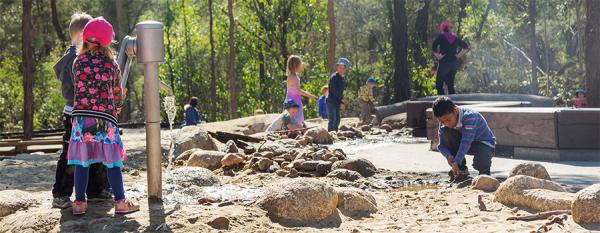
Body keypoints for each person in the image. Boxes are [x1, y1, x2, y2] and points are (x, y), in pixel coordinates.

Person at [69, 17, 138, 215]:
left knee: (82, 161)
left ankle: (79, 203)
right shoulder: (111, 64)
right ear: (108, 41)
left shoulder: (77, 62)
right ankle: (120, 202)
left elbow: (80, 88)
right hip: (105, 118)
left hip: (81, 118)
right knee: (112, 161)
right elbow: (117, 92)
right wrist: (118, 106)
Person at [51, 12, 111, 209]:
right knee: (70, 152)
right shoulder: (72, 59)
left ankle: (95, 190)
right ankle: (61, 192)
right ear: (81, 36)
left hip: (90, 112)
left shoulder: (86, 57)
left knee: (95, 148)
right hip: (74, 113)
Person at [433, 96, 495, 183]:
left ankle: (484, 175)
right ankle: (461, 172)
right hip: (466, 143)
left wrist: (456, 161)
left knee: (481, 163)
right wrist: (448, 156)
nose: (446, 124)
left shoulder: (470, 116)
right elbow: (441, 145)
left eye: (448, 120)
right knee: (447, 132)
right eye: (442, 122)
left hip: (483, 143)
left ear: (456, 111)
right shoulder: (444, 124)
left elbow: (466, 141)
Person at [432, 22, 470, 95]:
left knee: (439, 85)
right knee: (450, 85)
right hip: (453, 63)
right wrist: (458, 56)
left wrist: (438, 56)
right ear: (449, 29)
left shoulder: (441, 36)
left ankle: (442, 103)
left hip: (444, 63)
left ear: (442, 29)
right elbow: (466, 47)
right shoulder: (455, 37)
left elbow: (433, 46)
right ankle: (452, 103)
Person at [286, 55, 318, 125]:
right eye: (300, 64)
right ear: (296, 65)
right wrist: (310, 96)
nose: (301, 66)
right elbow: (298, 91)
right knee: (295, 120)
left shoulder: (293, 75)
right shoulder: (293, 77)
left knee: (295, 119)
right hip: (293, 102)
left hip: (294, 100)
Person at [327, 58, 350, 131]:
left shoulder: (342, 79)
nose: (341, 69)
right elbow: (333, 90)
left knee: (337, 119)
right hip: (331, 101)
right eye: (339, 67)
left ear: (346, 69)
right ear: (337, 67)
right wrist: (341, 99)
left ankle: (335, 132)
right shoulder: (334, 77)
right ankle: (330, 133)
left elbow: (341, 92)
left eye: (343, 68)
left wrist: (342, 102)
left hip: (337, 102)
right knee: (332, 119)